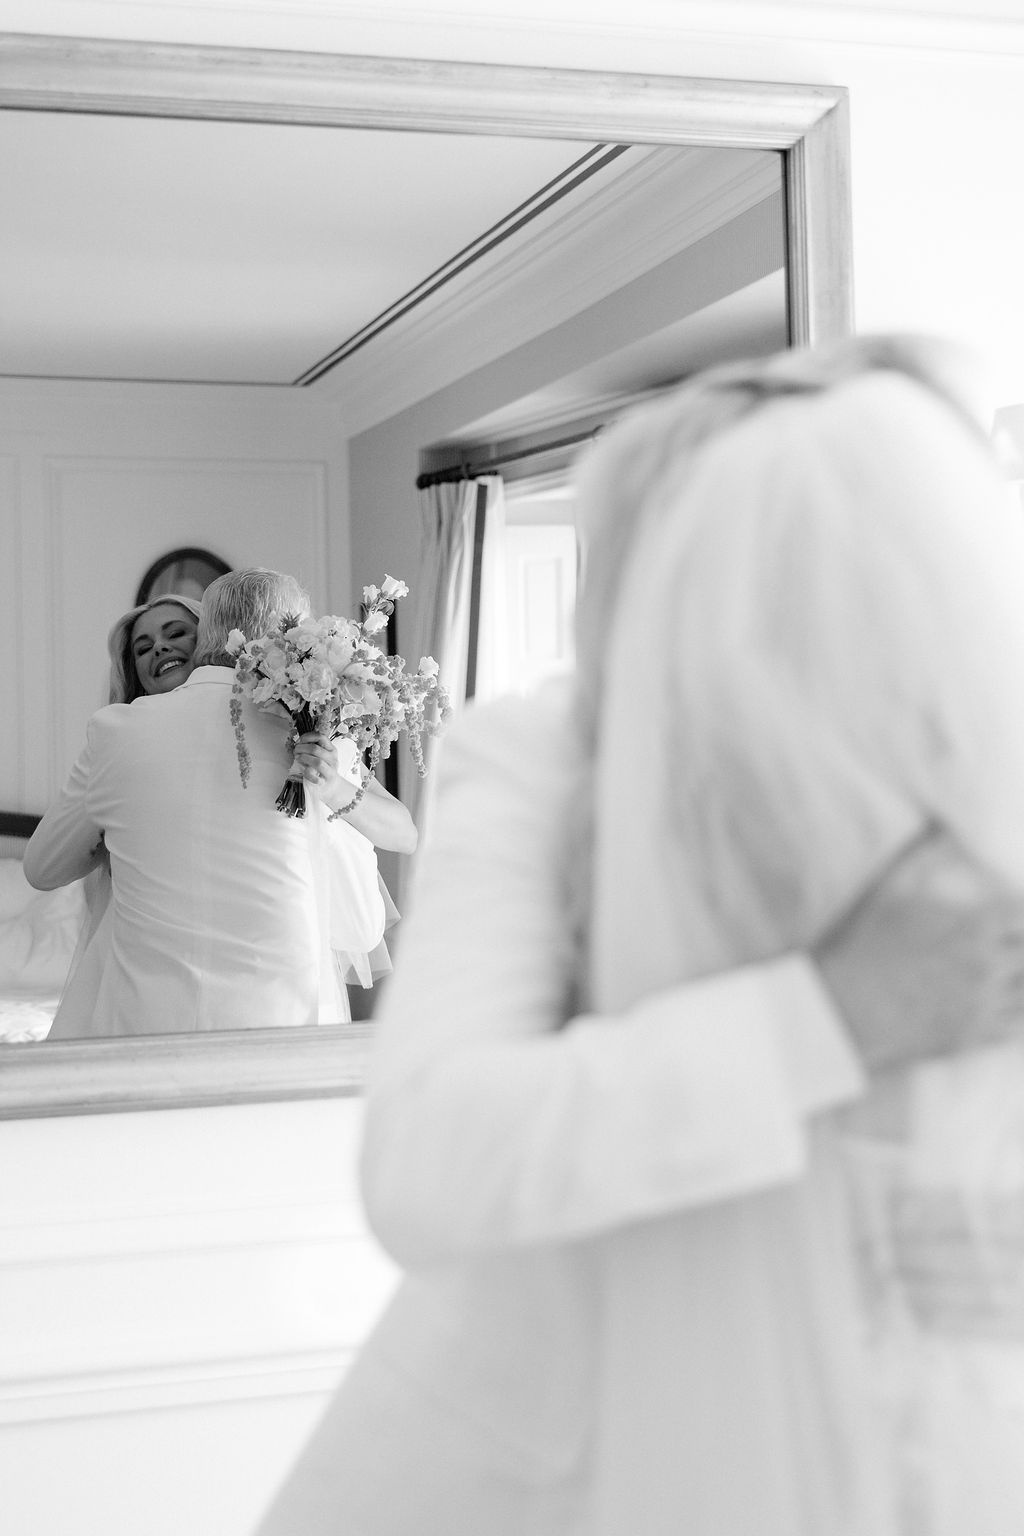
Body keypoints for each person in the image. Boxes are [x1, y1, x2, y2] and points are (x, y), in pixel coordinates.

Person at [255, 336, 1024, 1536]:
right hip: (549, 1466)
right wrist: (830, 1016)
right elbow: (430, 1162)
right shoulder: (545, 753)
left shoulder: (985, 791)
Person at [25, 569, 416, 1036]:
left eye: (176, 635)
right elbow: (403, 840)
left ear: (208, 633)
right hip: (284, 1019)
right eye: (144, 647)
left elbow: (43, 868)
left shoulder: (312, 726)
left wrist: (332, 786)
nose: (161, 651)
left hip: (144, 1021)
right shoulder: (310, 724)